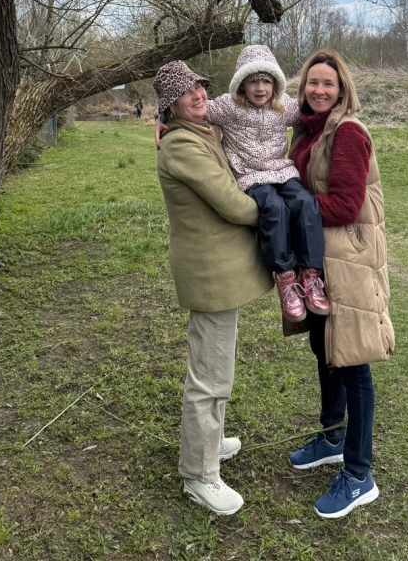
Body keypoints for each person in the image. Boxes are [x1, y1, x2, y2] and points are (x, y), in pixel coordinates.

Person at [154, 59, 272, 517]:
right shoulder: (182, 147)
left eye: (200, 87)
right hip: (209, 274)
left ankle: (211, 443)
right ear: (171, 104)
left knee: (218, 364)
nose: (199, 95)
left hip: (221, 271)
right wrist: (274, 208)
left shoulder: (199, 134)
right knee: (209, 376)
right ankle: (199, 475)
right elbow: (234, 206)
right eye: (187, 92)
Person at [285, 49, 395, 520]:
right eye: (313, 82)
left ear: (342, 88)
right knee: (324, 347)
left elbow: (347, 205)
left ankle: (359, 473)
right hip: (319, 260)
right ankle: (332, 436)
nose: (319, 90)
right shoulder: (309, 128)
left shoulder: (347, 132)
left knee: (352, 361)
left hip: (347, 260)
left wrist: (295, 211)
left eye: (328, 84)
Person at [157, 45, 329, 322]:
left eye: (266, 81)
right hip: (249, 175)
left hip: (282, 171)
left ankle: (310, 275)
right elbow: (189, 107)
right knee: (274, 209)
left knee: (306, 204)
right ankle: (285, 278)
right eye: (252, 81)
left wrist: (342, 115)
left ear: (276, 84)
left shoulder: (285, 107)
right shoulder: (227, 107)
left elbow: (315, 114)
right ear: (241, 85)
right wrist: (160, 118)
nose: (260, 88)